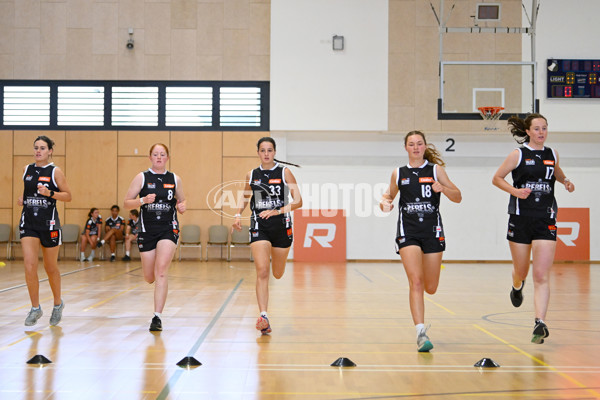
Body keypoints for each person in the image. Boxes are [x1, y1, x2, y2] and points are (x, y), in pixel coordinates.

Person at [492, 113, 575, 344]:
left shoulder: (552, 154)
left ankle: (539, 323)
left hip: (545, 219)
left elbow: (555, 171)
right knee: (522, 272)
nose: (541, 132)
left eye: (544, 128)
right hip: (520, 219)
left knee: (541, 274)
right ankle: (517, 286)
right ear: (528, 131)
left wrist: (565, 180)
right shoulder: (518, 154)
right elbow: (497, 178)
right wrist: (515, 191)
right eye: (537, 128)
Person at [380, 131, 461, 352]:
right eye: (411, 144)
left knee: (431, 287)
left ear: (425, 146)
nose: (415, 147)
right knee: (415, 281)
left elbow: (458, 196)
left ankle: (422, 318)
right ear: (405, 148)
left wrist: (442, 188)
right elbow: (389, 196)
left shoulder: (436, 170)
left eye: (419, 144)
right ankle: (421, 333)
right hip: (408, 232)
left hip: (433, 231)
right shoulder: (399, 173)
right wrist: (384, 203)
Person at [232, 137, 303, 335]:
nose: (266, 153)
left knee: (277, 273)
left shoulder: (284, 172)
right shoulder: (252, 174)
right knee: (262, 270)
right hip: (259, 226)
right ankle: (264, 315)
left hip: (281, 227)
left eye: (269, 150)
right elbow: (246, 197)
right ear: (258, 152)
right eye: (262, 150)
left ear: (274, 152)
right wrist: (238, 214)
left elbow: (299, 201)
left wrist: (278, 210)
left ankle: (276, 261)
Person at [124, 143, 186, 332]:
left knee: (161, 271)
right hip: (146, 230)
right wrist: (142, 200)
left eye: (162, 154)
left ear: (167, 157)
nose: (159, 157)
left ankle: (157, 317)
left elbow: (182, 200)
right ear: (150, 157)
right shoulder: (142, 178)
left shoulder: (175, 178)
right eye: (155, 154)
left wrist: (182, 206)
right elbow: (127, 203)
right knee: (149, 276)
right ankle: (152, 281)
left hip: (168, 228)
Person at [17, 135, 72, 326]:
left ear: (50, 151)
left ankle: (57, 304)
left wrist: (50, 193)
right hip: (29, 223)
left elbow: (68, 196)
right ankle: (35, 308)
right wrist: (22, 199)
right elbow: (26, 192)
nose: (38, 151)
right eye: (35, 148)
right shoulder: (26, 170)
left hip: (49, 225)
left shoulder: (55, 171)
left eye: (42, 148)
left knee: (50, 268)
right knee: (30, 265)